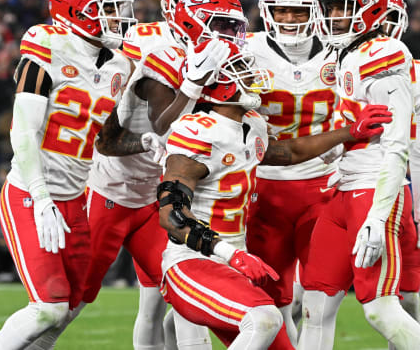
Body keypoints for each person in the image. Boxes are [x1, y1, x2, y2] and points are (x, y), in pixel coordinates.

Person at [157, 38, 392, 350]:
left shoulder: (250, 124)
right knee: (265, 317)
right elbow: (171, 214)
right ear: (218, 83)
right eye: (239, 68)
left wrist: (350, 133)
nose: (252, 75)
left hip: (233, 264)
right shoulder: (195, 132)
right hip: (193, 262)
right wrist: (231, 253)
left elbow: (288, 151)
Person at [45, 0, 225, 350]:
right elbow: (141, 121)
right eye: (197, 3)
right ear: (173, 4)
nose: (206, 14)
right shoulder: (143, 42)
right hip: (112, 188)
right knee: (70, 300)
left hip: (159, 194)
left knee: (183, 293)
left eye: (213, 3)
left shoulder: (225, 45)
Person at [0, 0, 155, 350]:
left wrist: (146, 141)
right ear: (76, 12)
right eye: (107, 9)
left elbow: (106, 141)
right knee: (48, 307)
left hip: (74, 198)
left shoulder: (117, 65)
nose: (117, 18)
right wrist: (41, 197)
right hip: (31, 193)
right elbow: (23, 131)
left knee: (71, 303)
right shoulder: (46, 45)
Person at [299, 0, 420, 350]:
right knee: (316, 303)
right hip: (343, 189)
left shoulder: (385, 54)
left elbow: (402, 148)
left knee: (380, 308)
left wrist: (380, 215)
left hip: (374, 191)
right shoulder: (346, 56)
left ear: (371, 8)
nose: (333, 17)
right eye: (330, 8)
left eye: (344, 7)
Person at [242, 0, 336, 344]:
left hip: (323, 188)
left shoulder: (338, 51)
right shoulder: (245, 49)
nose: (288, 18)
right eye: (280, 9)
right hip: (264, 187)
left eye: (298, 10)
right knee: (271, 301)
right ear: (266, 9)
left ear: (316, 10)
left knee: (321, 300)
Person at [381, 0, 420, 346]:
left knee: (408, 300)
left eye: (387, 18)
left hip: (394, 194)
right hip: (331, 190)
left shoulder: (416, 73)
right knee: (305, 299)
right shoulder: (328, 67)